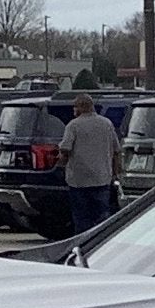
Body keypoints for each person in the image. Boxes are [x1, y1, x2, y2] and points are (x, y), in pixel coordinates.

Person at [59, 94, 122, 234]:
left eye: (75, 106)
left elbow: (65, 149)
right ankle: (100, 243)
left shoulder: (73, 125)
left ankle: (83, 244)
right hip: (102, 178)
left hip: (78, 181)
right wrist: (115, 174)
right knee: (102, 216)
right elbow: (116, 151)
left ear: (82, 107)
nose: (73, 110)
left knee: (81, 218)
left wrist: (61, 164)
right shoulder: (107, 123)